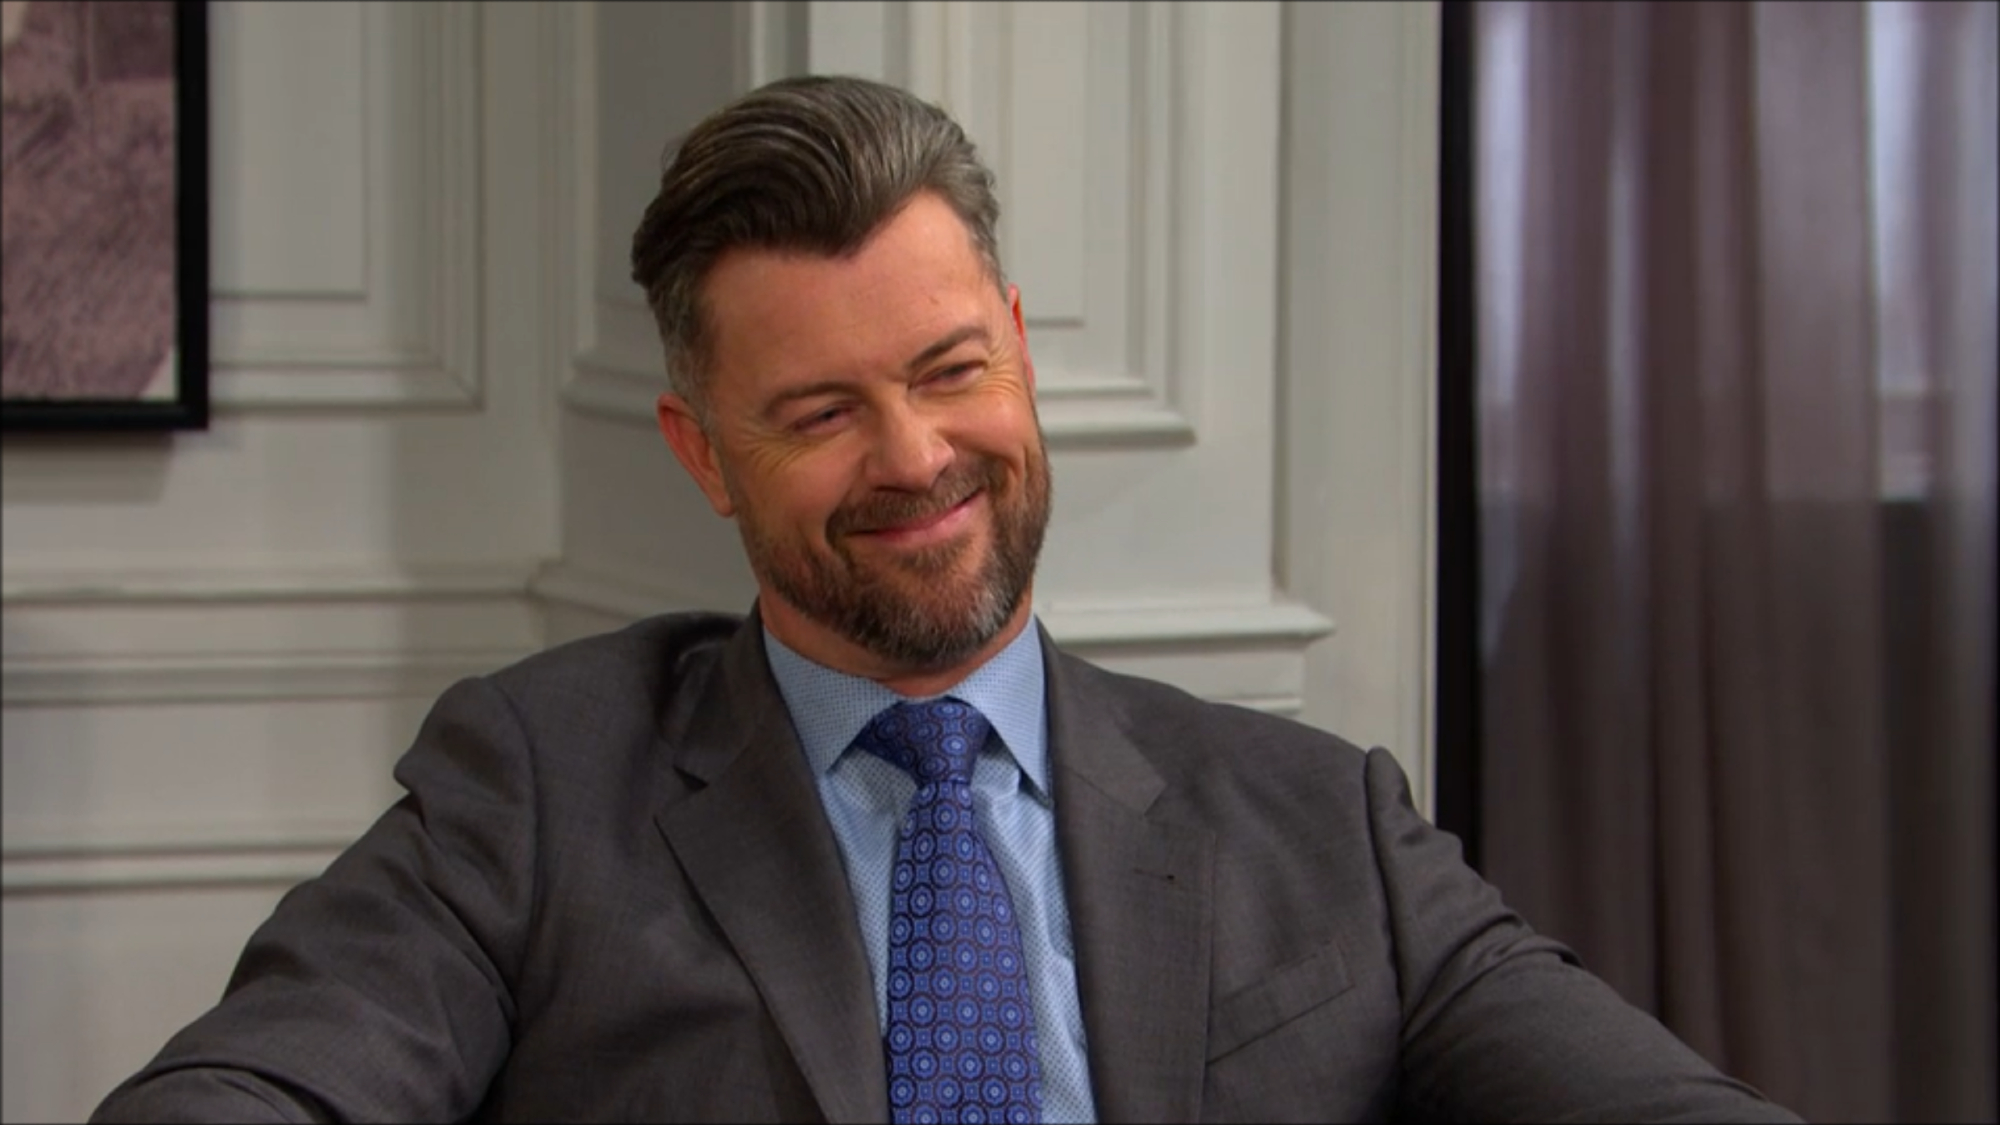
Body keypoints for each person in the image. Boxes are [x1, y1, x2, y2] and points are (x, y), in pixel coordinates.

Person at [91, 75, 1803, 1124]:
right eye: (820, 411)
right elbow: (255, 1084)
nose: (915, 456)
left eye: (949, 369)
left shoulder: (1320, 821)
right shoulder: (537, 792)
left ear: (1024, 356)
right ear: (704, 453)